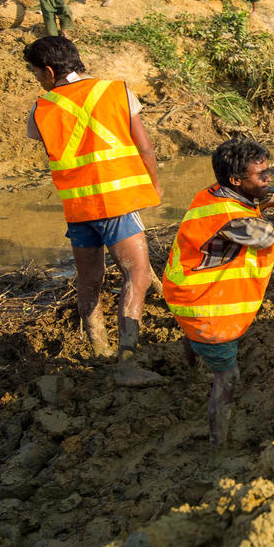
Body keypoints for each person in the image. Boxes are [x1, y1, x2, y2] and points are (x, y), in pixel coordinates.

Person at [23, 36, 164, 386]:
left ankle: (98, 346)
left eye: (36, 73)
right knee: (138, 275)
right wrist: (154, 187)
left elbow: (56, 145)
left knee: (89, 280)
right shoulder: (115, 91)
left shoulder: (42, 107)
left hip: (77, 207)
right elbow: (144, 147)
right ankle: (127, 363)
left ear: (49, 71)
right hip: (115, 202)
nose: (38, 79)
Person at [163, 138, 274, 447]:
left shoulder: (211, 193)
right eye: (261, 175)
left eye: (268, 171)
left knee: (193, 338)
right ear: (236, 180)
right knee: (228, 378)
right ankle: (218, 446)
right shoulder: (234, 220)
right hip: (207, 307)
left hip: (183, 291)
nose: (268, 179)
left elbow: (268, 197)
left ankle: (191, 379)